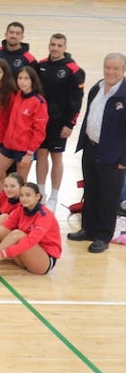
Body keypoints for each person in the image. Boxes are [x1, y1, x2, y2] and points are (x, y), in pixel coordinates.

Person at [70, 53, 126, 254]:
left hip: (114, 156)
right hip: (91, 147)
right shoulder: (97, 88)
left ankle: (103, 235)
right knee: (91, 191)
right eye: (107, 67)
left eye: (115, 69)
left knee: (108, 197)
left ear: (123, 70)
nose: (110, 72)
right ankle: (88, 229)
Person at [34, 34, 85, 211]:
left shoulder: (73, 70)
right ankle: (40, 193)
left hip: (60, 123)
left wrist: (70, 124)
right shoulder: (40, 65)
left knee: (56, 157)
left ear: (64, 47)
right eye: (53, 44)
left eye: (59, 45)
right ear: (49, 45)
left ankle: (54, 196)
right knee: (41, 155)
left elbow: (77, 100)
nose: (55, 48)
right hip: (41, 122)